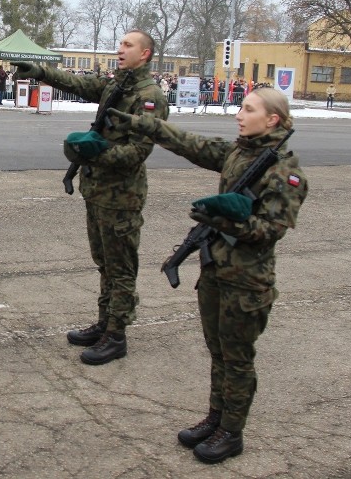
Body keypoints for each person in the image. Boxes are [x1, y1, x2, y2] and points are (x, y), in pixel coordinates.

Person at [105, 87, 308, 464]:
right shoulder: (239, 153)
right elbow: (191, 144)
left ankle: (232, 432)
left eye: (248, 109)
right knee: (218, 352)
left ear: (273, 119)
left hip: (247, 282)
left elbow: (269, 232)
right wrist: (146, 125)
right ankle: (216, 418)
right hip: (216, 271)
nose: (239, 114)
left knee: (238, 358)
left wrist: (228, 221)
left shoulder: (284, 172)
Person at [11, 30, 168, 366]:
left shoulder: (148, 95)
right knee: (104, 263)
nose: (120, 49)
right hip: (97, 190)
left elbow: (138, 151)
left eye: (128, 45)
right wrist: (40, 71)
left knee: (121, 268)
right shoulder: (118, 84)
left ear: (146, 54)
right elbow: (78, 84)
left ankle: (117, 335)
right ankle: (104, 323)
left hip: (121, 196)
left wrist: (96, 152)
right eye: (121, 43)